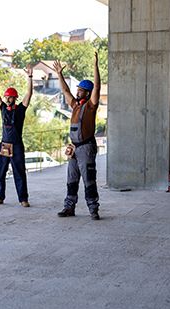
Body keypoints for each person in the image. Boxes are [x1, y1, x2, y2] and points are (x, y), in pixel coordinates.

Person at [54, 52, 101, 220]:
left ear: (87, 93)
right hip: (74, 147)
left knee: (89, 179)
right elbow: (65, 90)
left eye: (81, 90)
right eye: (78, 90)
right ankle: (69, 207)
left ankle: (93, 209)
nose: (78, 92)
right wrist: (59, 74)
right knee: (72, 179)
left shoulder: (91, 106)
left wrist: (95, 65)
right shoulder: (74, 105)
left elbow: (97, 86)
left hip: (86, 147)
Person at [0, 63, 33, 207]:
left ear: (15, 98)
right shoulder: (3, 109)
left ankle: (23, 199)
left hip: (17, 145)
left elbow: (29, 94)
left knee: (19, 173)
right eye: (6, 97)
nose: (7, 99)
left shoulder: (21, 109)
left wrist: (30, 77)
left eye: (10, 97)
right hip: (4, 144)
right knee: (0, 172)